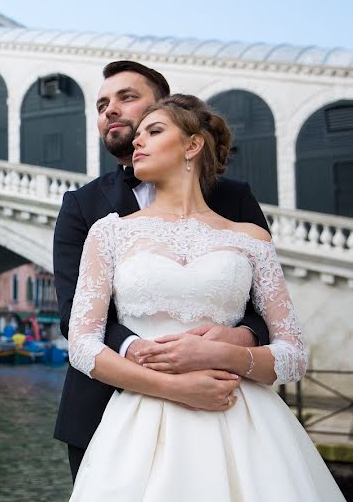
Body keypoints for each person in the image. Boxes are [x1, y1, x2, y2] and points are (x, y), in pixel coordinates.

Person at [67, 94, 343, 500]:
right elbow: (82, 344)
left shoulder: (250, 238)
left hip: (242, 415)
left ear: (193, 146)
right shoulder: (109, 232)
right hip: (143, 420)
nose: (137, 142)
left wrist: (221, 355)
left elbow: (294, 352)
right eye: (137, 135)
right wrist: (174, 387)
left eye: (154, 131)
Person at [53, 61, 270, 480]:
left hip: (224, 399)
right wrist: (149, 355)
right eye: (101, 105)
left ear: (166, 108)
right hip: (101, 411)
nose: (110, 110)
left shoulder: (234, 199)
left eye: (126, 98)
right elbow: (71, 315)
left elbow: (268, 303)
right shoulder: (81, 207)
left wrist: (240, 336)